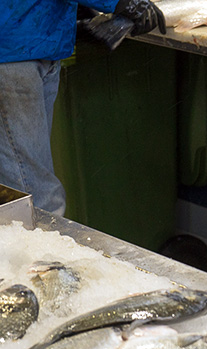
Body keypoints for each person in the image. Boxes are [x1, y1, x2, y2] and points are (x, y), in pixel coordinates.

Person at [0, 0, 165, 216]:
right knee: (33, 192)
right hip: (13, 50)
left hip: (36, 44)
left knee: (25, 175)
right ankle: (43, 247)